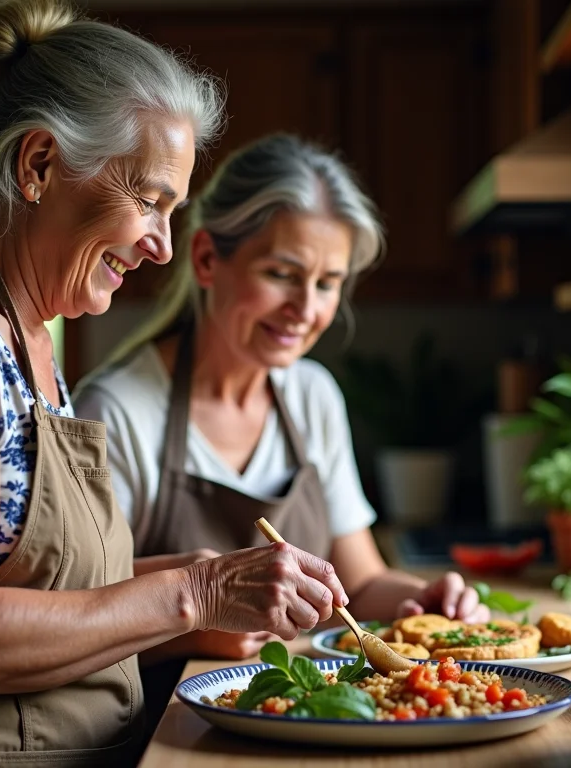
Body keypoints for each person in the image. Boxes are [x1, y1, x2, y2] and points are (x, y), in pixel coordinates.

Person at [0, 4, 350, 767]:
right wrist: (196, 596)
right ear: (39, 166)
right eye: (150, 200)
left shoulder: (28, 335)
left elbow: (55, 588)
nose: (161, 245)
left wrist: (218, 580)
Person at [72, 134, 490, 723]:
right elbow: (71, 620)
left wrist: (421, 601)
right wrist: (191, 630)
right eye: (281, 273)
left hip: (303, 719)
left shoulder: (312, 394)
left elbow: (361, 583)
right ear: (207, 260)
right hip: (165, 733)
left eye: (327, 283)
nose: (306, 309)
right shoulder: (116, 411)